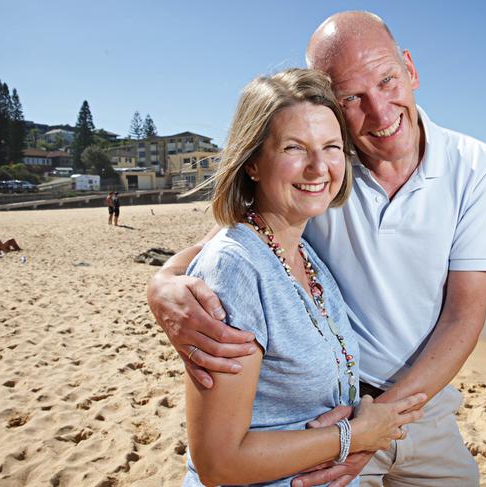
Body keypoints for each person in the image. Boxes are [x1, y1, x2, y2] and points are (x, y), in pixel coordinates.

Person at [148, 11, 486, 487]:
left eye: (387, 79)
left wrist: (373, 429)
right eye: (352, 97)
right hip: (329, 410)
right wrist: (164, 283)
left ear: (411, 69)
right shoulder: (322, 171)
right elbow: (232, 245)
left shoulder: (473, 164)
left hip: (422, 405)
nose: (379, 112)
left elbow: (464, 315)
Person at [181, 68, 425, 486]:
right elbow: (218, 462)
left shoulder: (308, 255)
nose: (318, 168)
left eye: (331, 147)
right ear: (253, 162)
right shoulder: (235, 268)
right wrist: (354, 436)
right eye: (295, 148)